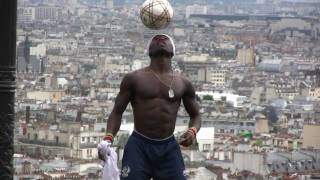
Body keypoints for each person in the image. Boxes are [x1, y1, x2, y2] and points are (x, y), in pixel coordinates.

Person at [98, 34, 201, 180]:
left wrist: (192, 132)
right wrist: (108, 138)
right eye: (156, 39)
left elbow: (196, 115)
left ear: (173, 51)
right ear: (149, 51)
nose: (161, 40)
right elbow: (117, 112)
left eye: (165, 40)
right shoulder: (134, 79)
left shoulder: (183, 83)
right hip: (139, 145)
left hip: (169, 146)